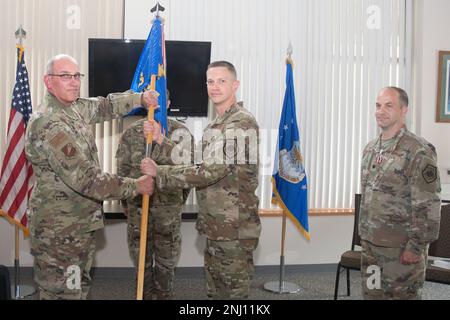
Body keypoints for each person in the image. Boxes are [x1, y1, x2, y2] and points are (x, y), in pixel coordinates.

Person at [25, 54, 155, 300]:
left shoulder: (72, 108)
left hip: (79, 226)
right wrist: (135, 186)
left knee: (78, 289)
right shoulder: (51, 124)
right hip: (60, 234)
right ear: (48, 81)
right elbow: (87, 179)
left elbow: (104, 106)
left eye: (76, 76)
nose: (74, 82)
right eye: (65, 76)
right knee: (63, 294)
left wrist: (140, 98)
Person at [141, 61, 261, 299]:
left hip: (234, 230)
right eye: (210, 81)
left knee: (231, 297)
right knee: (216, 292)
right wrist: (161, 139)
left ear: (235, 85)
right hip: (217, 226)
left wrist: (160, 173)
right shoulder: (217, 124)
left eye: (221, 81)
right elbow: (195, 156)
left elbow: (209, 171)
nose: (214, 87)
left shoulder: (241, 123)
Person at [359, 86, 441, 300]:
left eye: (389, 105)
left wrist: (415, 247)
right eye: (378, 105)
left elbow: (429, 205)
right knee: (372, 296)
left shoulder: (418, 151)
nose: (381, 111)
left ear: (404, 110)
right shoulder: (370, 149)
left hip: (401, 253)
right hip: (371, 249)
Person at [116, 89, 193, 299]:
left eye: (161, 102)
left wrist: (176, 203)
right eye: (151, 102)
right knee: (141, 267)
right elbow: (122, 173)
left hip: (168, 215)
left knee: (166, 268)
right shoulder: (131, 133)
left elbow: (189, 171)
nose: (155, 107)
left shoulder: (181, 133)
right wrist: (128, 206)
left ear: (168, 103)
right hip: (138, 212)